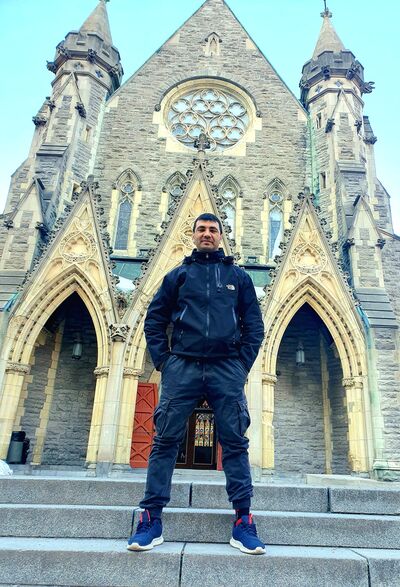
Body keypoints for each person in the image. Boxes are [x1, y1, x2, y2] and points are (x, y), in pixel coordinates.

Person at [127, 213, 265, 554]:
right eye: (201, 229)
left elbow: (254, 326)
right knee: (164, 442)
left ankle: (243, 521)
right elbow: (154, 319)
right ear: (193, 235)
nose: (207, 234)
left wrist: (240, 366)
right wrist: (165, 362)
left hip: (226, 368)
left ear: (221, 236)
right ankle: (151, 519)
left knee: (235, 444)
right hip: (183, 367)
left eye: (213, 230)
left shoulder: (238, 278)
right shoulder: (177, 276)